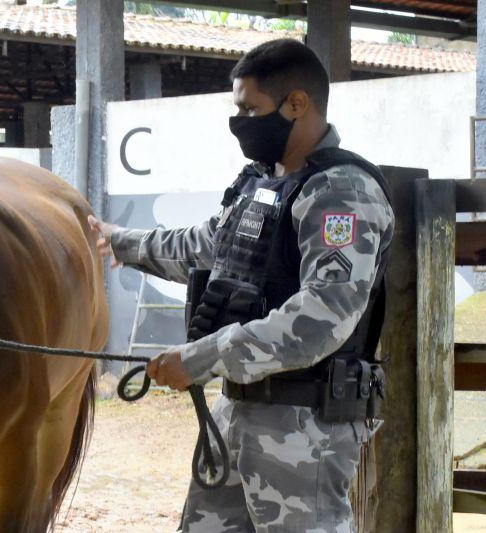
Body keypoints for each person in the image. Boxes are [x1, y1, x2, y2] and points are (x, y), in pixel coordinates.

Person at [88, 39, 394, 532]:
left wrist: (200, 357)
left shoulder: (341, 192)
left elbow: (324, 315)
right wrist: (119, 242)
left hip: (303, 427)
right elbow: (206, 246)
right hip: (238, 411)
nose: (240, 122)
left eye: (250, 108)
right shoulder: (260, 183)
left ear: (297, 104)